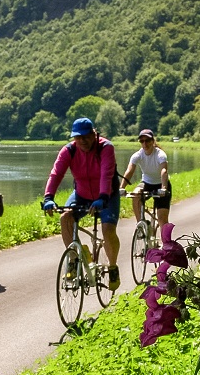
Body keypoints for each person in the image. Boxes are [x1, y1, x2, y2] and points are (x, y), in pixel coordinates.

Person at [42, 117, 122, 291]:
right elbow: (56, 174)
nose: (82, 141)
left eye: (86, 136)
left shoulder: (105, 148)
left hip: (107, 194)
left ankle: (113, 266)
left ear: (94, 134)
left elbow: (106, 174)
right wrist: (48, 197)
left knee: (108, 230)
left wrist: (102, 197)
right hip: (82, 194)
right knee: (65, 218)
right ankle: (73, 260)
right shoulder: (69, 151)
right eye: (78, 138)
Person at [121, 128, 171, 227]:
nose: (145, 144)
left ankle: (166, 242)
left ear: (153, 141)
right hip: (147, 183)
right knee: (136, 194)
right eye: (142, 141)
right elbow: (129, 171)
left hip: (161, 184)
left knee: (162, 219)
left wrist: (164, 188)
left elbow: (164, 171)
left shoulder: (160, 154)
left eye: (147, 140)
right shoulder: (137, 155)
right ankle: (141, 225)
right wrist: (121, 187)